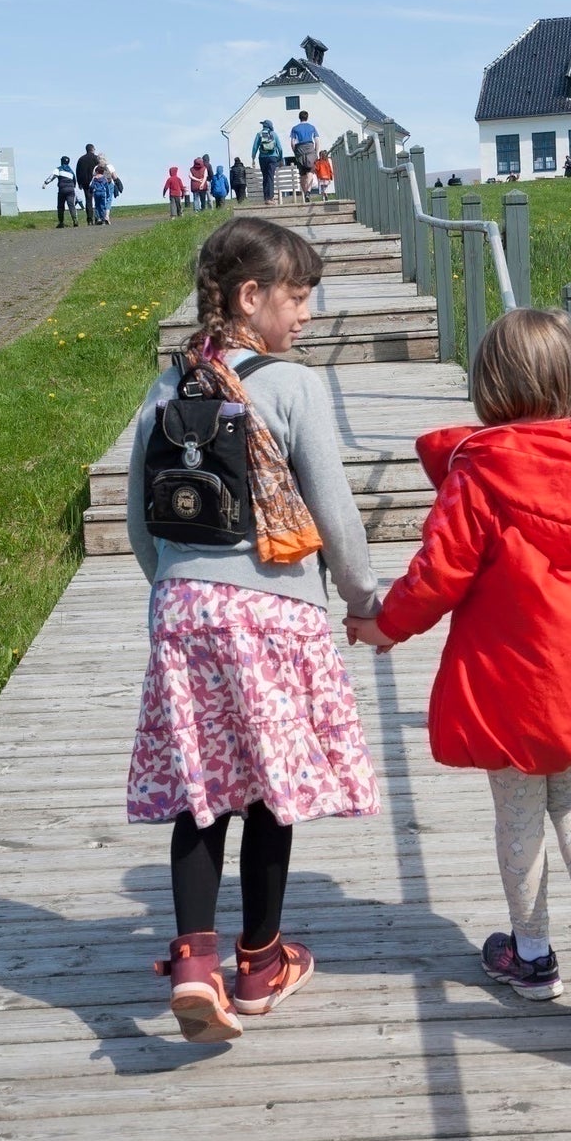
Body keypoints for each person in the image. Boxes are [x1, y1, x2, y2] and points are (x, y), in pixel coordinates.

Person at [125, 216, 382, 1043]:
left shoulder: (168, 389)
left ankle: (194, 963)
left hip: (184, 610)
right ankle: (262, 963)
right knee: (272, 788)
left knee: (201, 787)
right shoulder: (292, 385)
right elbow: (335, 516)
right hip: (274, 613)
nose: (305, 314)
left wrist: (179, 587)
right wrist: (360, 594)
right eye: (297, 296)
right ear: (250, 297)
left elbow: (138, 523)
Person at [346, 307, 571, 1009]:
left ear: (490, 388)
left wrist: (384, 626)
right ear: (569, 383)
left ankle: (533, 954)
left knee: (517, 809)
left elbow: (439, 572)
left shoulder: (482, 473)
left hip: (511, 674)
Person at [289, 111, 319, 202]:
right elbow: (317, 141)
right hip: (310, 149)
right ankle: (308, 192)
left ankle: (305, 191)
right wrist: (316, 153)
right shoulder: (312, 127)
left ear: (299, 118)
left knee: (302, 174)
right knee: (310, 172)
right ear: (307, 117)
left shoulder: (295, 128)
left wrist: (295, 153)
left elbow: (292, 142)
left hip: (300, 150)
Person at [251, 120, 283, 205]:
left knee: (265, 177)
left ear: (264, 126)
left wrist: (253, 158)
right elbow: (280, 148)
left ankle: (266, 198)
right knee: (270, 177)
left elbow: (255, 147)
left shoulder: (259, 134)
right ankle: (270, 198)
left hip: (262, 158)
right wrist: (280, 159)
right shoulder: (274, 134)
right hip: (273, 158)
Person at [42, 155, 78, 227]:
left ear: (61, 161)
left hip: (62, 190)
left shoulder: (58, 169)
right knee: (71, 205)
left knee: (60, 206)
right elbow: (74, 181)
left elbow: (52, 177)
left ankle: (61, 222)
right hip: (71, 190)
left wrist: (45, 183)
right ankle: (75, 220)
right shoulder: (71, 171)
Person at [76, 143, 99, 225]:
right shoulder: (96, 158)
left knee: (88, 200)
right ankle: (97, 218)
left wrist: (79, 183)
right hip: (96, 181)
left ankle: (89, 220)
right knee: (97, 200)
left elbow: (78, 172)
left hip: (85, 182)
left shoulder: (81, 159)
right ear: (92, 149)